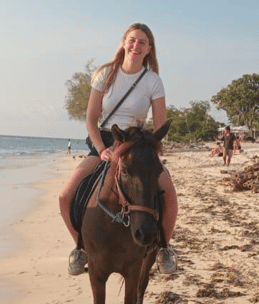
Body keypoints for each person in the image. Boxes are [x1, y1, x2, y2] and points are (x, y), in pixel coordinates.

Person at [58, 23, 178, 276]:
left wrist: (151, 150)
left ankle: (164, 248)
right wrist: (101, 149)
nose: (136, 46)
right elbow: (91, 119)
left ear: (149, 49)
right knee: (65, 196)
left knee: (169, 193)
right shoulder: (105, 73)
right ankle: (80, 248)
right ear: (124, 42)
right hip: (106, 140)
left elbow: (159, 126)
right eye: (132, 40)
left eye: (142, 42)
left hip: (137, 143)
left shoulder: (153, 81)